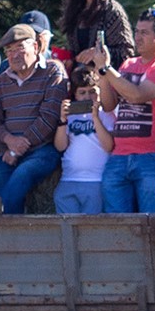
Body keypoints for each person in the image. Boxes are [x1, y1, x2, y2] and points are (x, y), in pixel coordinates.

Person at [96, 9, 155, 213]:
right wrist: (101, 72)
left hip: (152, 156)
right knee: (117, 224)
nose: (137, 37)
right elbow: (108, 105)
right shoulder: (128, 64)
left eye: (144, 32)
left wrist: (107, 69)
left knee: (150, 222)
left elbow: (137, 94)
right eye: (136, 31)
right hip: (119, 155)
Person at [0, 21, 68, 214]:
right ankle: (8, 235)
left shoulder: (53, 71)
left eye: (20, 47)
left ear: (35, 47)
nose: (14, 55)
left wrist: (18, 149)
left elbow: (49, 117)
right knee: (2, 181)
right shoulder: (3, 80)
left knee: (22, 174)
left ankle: (0, 212)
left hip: (42, 150)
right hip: (8, 150)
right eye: (9, 50)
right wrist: (9, 141)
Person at [54, 55, 112, 213]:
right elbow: (60, 146)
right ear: (75, 95)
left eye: (92, 91)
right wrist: (62, 120)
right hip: (68, 179)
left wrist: (95, 117)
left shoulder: (107, 114)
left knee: (91, 229)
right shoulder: (70, 115)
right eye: (82, 93)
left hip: (96, 180)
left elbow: (109, 146)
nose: (87, 97)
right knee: (67, 229)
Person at [61, 0, 134, 75]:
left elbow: (126, 51)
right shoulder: (75, 9)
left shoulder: (112, 10)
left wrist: (97, 53)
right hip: (80, 82)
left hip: (107, 80)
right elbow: (75, 50)